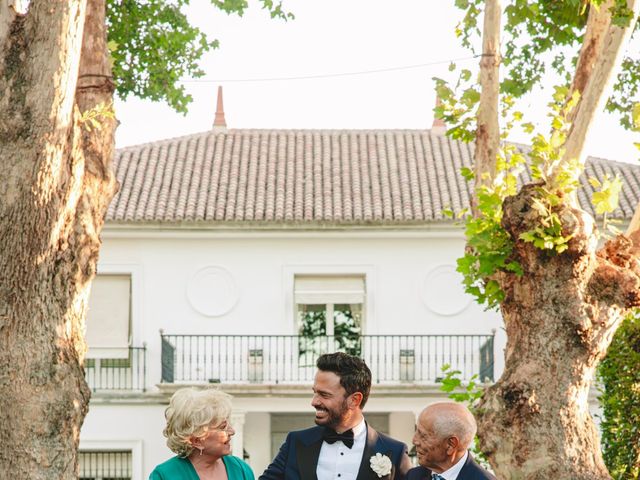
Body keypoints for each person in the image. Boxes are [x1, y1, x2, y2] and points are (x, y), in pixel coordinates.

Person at [260, 352, 412, 480]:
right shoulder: (295, 443)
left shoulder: (394, 452)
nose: (314, 402)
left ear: (354, 400)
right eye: (315, 392)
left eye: (324, 395)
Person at [150, 388, 254, 480]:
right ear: (196, 441)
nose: (232, 432)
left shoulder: (241, 469)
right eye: (223, 427)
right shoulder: (165, 475)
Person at [407, 403, 496, 480]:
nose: (414, 441)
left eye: (423, 436)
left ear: (451, 444)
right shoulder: (414, 476)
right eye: (416, 431)